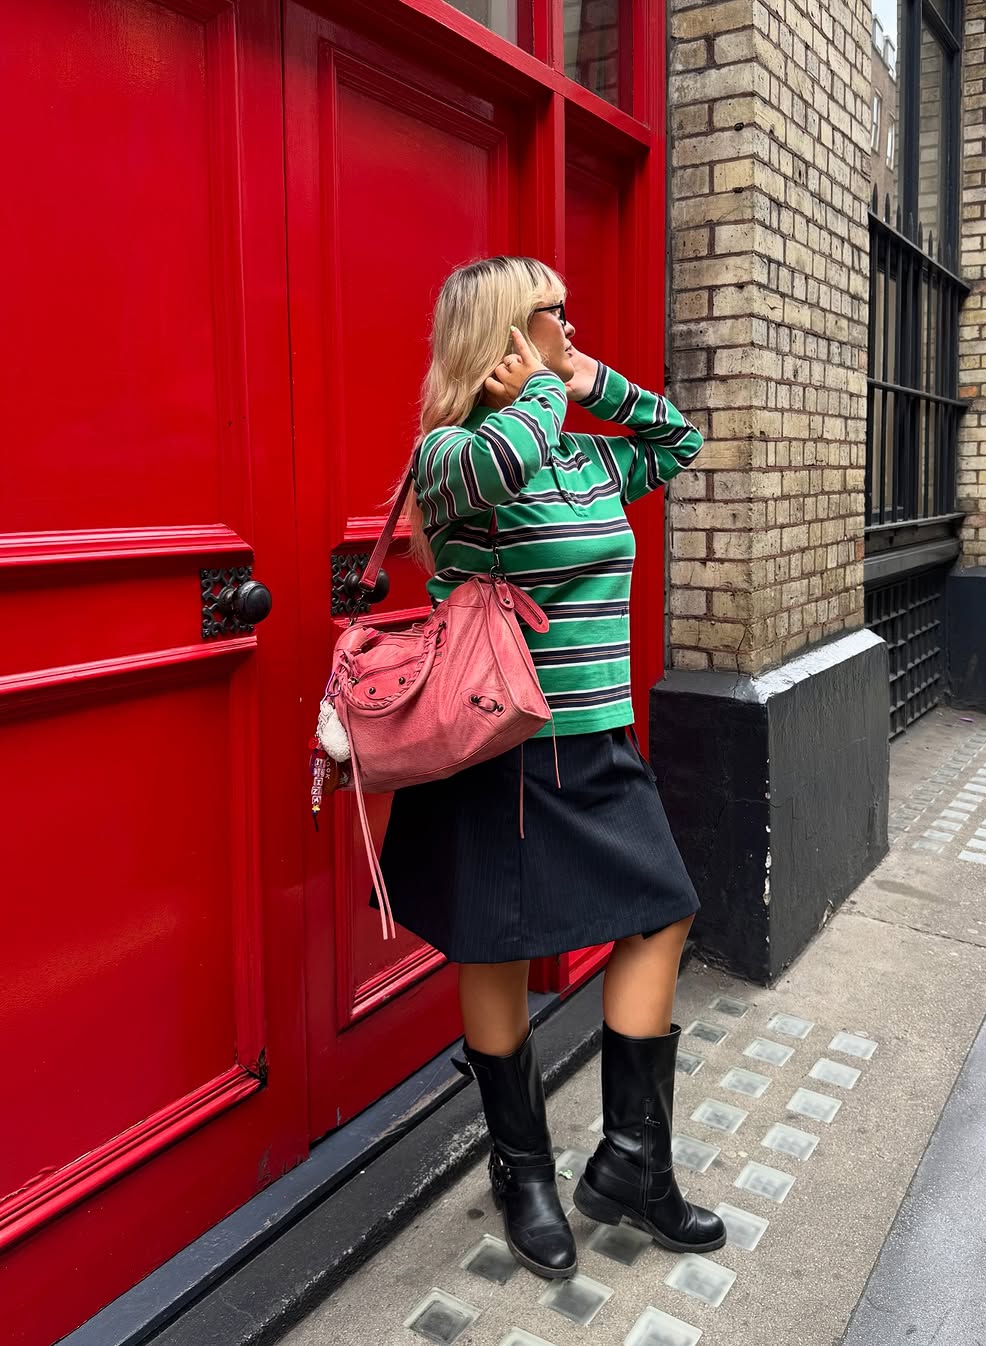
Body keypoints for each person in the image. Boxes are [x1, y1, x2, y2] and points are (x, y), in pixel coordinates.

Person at [339, 255, 726, 1279]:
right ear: (501, 337)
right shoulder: (451, 456)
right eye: (549, 316)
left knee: (663, 909)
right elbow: (501, 462)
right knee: (497, 942)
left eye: (567, 313)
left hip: (598, 738)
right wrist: (545, 391)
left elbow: (677, 439)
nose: (568, 328)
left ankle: (633, 1161)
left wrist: (592, 384)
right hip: (501, 746)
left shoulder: (584, 457)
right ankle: (526, 1172)